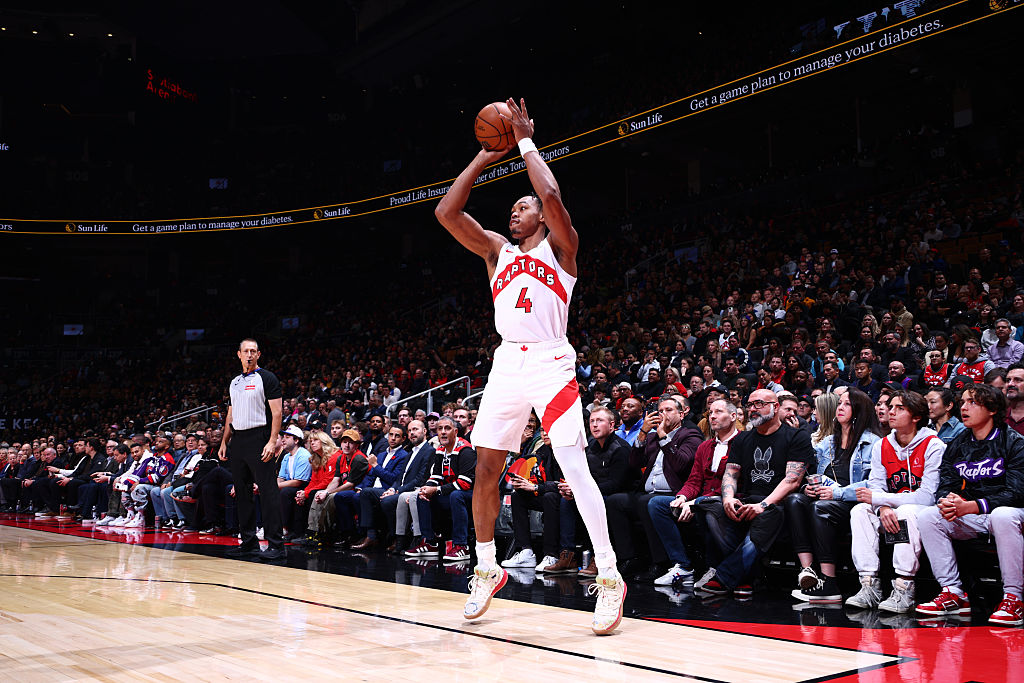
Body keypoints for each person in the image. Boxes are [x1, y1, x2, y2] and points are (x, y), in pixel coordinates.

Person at [434, 97, 625, 634]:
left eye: (521, 207)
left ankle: (609, 575)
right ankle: (487, 567)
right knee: (486, 469)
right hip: (506, 365)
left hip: (550, 361)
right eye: (512, 209)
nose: (512, 213)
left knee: (572, 463)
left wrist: (521, 140)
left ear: (541, 218)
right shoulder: (495, 250)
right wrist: (481, 158)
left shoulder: (563, 250)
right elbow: (446, 213)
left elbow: (551, 191)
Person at [916, 383, 1024, 625]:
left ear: (992, 409)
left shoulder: (1014, 442)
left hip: (1012, 513)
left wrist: (973, 505)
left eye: (972, 402)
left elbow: (1017, 493)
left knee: (1003, 515)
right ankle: (953, 593)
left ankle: (1014, 598)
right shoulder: (958, 443)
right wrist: (948, 500)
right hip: (975, 512)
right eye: (963, 402)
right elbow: (945, 482)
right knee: (929, 516)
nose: (964, 407)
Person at [698, 389, 815, 596]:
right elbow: (731, 474)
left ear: (775, 407)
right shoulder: (743, 439)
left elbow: (792, 480)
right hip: (748, 500)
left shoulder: (797, 436)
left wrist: (763, 505)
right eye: (750, 404)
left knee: (770, 514)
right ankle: (749, 576)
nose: (752, 409)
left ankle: (725, 576)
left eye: (759, 404)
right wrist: (728, 499)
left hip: (779, 504)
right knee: (712, 508)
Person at [845, 391, 944, 613]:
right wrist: (883, 507)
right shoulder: (882, 445)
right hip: (890, 509)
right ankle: (869, 585)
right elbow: (877, 484)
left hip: (922, 511)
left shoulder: (933, 444)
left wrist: (881, 500)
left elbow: (927, 496)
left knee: (907, 511)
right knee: (860, 510)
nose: (891, 412)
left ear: (916, 416)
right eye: (891, 407)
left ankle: (904, 587)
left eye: (899, 408)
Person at [788, 389, 882, 602]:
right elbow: (812, 473)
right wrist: (807, 487)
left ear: (859, 410)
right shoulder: (828, 442)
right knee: (794, 501)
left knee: (820, 508)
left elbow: (873, 483)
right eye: (839, 403)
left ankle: (829, 583)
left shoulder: (872, 443)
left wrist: (837, 493)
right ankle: (808, 572)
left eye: (846, 404)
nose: (840, 407)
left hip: (854, 501)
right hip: (826, 497)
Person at [649, 399, 739, 586]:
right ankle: (682, 566)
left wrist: (697, 502)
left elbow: (735, 484)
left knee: (708, 511)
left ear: (733, 416)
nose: (712, 416)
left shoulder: (742, 443)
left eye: (718, 412)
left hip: (726, 501)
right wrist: (682, 497)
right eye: (710, 412)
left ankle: (714, 567)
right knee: (657, 504)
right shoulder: (705, 446)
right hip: (701, 500)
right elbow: (694, 480)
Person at [218, 338, 285, 560]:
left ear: (259, 354)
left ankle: (276, 544)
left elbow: (277, 413)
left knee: (268, 491)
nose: (249, 354)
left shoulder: (267, 378)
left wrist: (272, 441)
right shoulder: (234, 382)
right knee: (242, 492)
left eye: (253, 351)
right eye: (245, 351)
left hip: (260, 437)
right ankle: (248, 542)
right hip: (238, 439)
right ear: (238, 354)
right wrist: (224, 442)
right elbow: (231, 413)